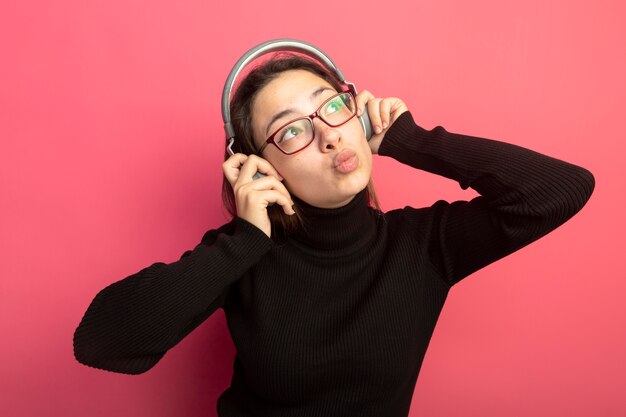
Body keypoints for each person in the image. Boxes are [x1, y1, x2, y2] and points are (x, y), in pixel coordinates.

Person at [73, 54, 595, 417]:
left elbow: (561, 190)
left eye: (331, 106)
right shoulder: (244, 256)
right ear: (261, 167)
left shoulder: (423, 244)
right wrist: (242, 241)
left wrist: (410, 140)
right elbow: (101, 341)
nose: (328, 135)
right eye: (292, 130)